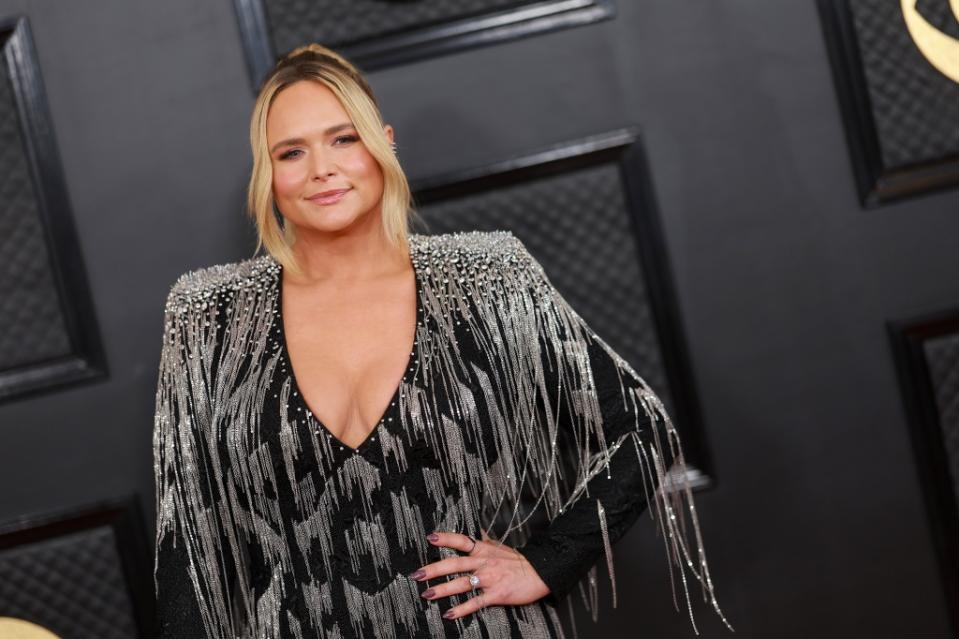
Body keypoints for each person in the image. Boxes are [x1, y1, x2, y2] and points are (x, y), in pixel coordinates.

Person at [152, 43, 734, 639]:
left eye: (343, 139)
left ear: (383, 141)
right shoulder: (207, 317)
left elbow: (641, 429)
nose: (321, 167)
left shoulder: (486, 278)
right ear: (267, 173)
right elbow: (186, 542)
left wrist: (547, 562)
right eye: (291, 152)